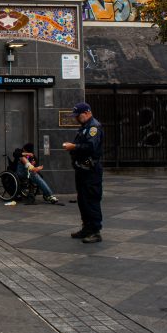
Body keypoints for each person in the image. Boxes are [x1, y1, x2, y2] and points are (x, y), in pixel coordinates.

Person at [64, 102, 104, 243]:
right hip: (82, 169)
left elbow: (90, 146)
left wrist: (73, 146)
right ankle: (86, 228)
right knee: (83, 200)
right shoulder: (84, 127)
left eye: (78, 116)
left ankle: (95, 231)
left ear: (86, 113)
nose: (76, 118)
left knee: (91, 199)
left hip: (91, 170)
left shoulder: (94, 127)